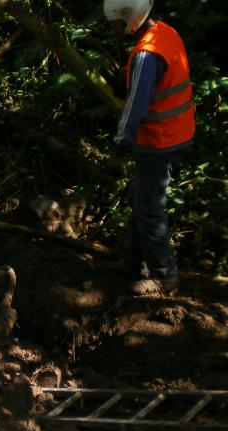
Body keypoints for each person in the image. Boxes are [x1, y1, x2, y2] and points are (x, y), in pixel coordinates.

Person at [104, 0, 195, 294]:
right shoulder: (164, 32)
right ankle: (132, 260)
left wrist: (120, 142)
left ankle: (164, 275)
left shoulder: (146, 54)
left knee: (149, 207)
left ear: (129, 18)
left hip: (160, 139)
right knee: (143, 198)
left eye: (115, 23)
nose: (112, 29)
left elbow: (135, 109)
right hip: (178, 131)